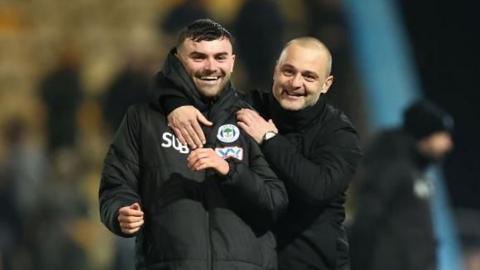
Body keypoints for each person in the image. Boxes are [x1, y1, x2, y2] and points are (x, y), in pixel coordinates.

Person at [151, 37, 363, 270]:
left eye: (309, 76)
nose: (295, 83)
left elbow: (317, 189)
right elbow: (170, 79)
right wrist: (176, 104)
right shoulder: (248, 107)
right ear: (275, 71)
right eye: (288, 71)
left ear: (326, 84)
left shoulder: (339, 133)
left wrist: (269, 139)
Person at [99, 19, 288, 270]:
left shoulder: (254, 118)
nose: (211, 67)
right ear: (178, 60)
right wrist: (120, 212)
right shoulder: (142, 120)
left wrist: (229, 170)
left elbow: (275, 202)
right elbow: (116, 186)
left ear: (232, 62)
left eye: (220, 57)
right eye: (199, 57)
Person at [349, 100, 454, 270]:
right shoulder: (389, 166)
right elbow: (366, 220)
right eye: (443, 135)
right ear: (426, 134)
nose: (448, 144)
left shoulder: (416, 171)